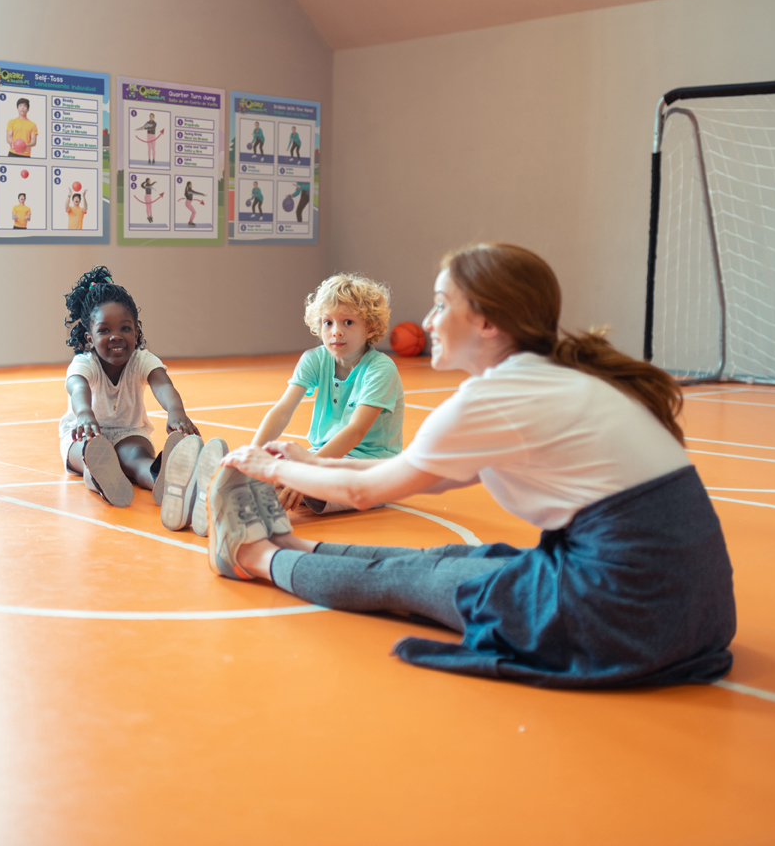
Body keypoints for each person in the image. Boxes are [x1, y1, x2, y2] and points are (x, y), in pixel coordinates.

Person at [208, 243, 737, 688]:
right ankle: (297, 544)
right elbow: (399, 475)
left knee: (408, 581)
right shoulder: (553, 376)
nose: (430, 321)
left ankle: (254, 557)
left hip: (624, 615)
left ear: (486, 320)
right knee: (445, 559)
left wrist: (270, 468)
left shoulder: (492, 399)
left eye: (442, 305)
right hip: (693, 610)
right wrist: (301, 460)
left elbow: (370, 492)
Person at [251, 274, 403, 514]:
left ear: (371, 326)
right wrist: (253, 456)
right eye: (328, 322)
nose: (336, 332)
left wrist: (308, 470)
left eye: (348, 322)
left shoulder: (380, 368)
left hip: (372, 467)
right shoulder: (314, 359)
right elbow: (282, 410)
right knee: (271, 471)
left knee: (305, 482)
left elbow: (356, 430)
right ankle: (219, 495)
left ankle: (251, 505)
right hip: (321, 456)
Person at [59, 266, 199, 507]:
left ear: (136, 331)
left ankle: (161, 480)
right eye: (104, 330)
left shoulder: (142, 360)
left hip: (129, 433)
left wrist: (176, 412)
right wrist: (84, 414)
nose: (116, 336)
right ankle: (99, 474)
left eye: (125, 328)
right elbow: (77, 387)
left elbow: (163, 385)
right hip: (87, 431)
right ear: (89, 338)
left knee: (137, 458)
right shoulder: (85, 363)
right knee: (85, 451)